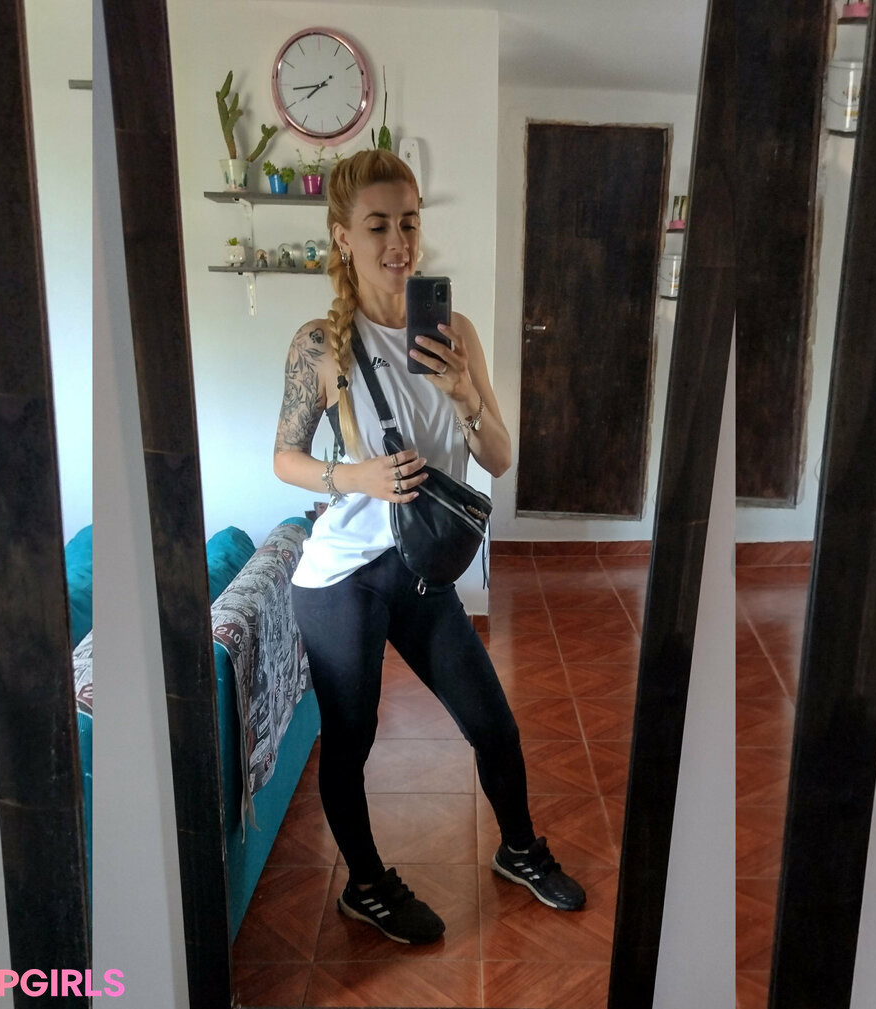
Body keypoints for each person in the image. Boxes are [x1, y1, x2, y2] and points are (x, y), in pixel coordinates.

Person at [273, 149, 584, 945]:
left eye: (408, 222)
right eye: (377, 225)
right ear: (342, 236)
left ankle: (519, 848)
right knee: (352, 738)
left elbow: (500, 457)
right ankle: (365, 886)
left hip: (423, 567)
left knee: (493, 722)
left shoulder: (456, 331)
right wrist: (357, 477)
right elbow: (284, 458)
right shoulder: (321, 344)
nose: (398, 242)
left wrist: (467, 395)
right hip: (341, 577)